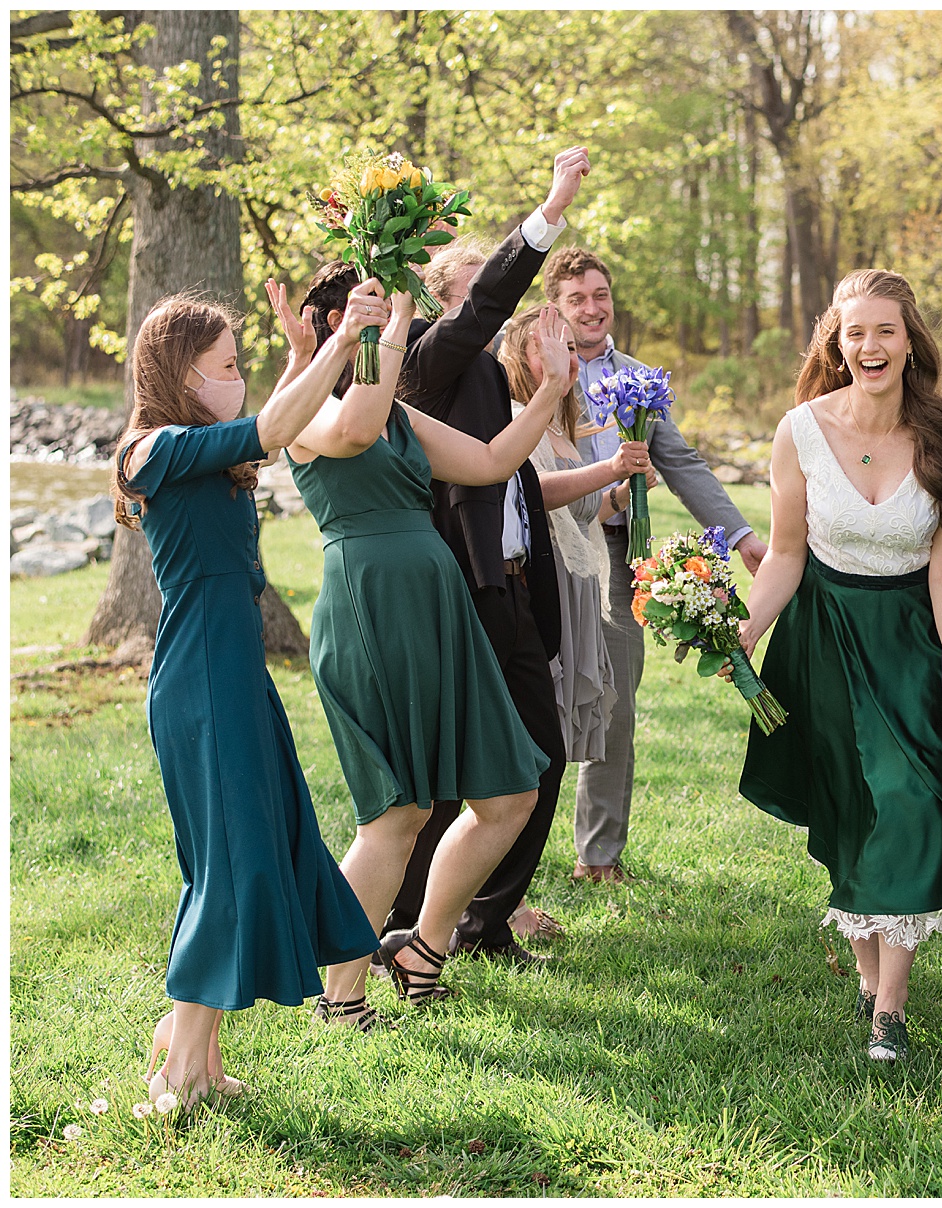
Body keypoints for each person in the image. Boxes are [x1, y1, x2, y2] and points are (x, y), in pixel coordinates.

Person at [113, 285, 385, 1104]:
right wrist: (344, 345)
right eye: (227, 365)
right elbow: (268, 429)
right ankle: (183, 1071)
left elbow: (258, 429)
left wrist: (306, 356)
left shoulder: (201, 449)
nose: (239, 376)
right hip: (201, 676)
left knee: (252, 854)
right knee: (229, 867)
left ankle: (190, 1049)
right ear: (182, 374)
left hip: (236, 675)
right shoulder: (151, 450)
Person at [284, 281, 574, 1024]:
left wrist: (549, 392)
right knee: (398, 814)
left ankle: (424, 947)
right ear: (330, 323)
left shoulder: (398, 411)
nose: (383, 321)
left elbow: (487, 462)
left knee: (510, 794)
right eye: (366, 308)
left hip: (439, 606)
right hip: (373, 606)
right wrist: (393, 327)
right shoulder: (304, 404)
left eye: (385, 308)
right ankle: (340, 991)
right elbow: (352, 431)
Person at [737, 269, 942, 1063]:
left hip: (910, 641)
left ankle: (890, 1014)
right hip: (822, 642)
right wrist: (742, 631)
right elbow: (784, 556)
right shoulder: (799, 429)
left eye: (885, 331)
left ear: (910, 341)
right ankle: (874, 980)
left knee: (908, 804)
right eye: (854, 333)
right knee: (851, 816)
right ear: (835, 346)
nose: (869, 346)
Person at [378, 147, 591, 966]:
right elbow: (484, 307)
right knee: (447, 777)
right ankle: (413, 922)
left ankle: (482, 922)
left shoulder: (493, 374)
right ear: (444, 302)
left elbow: (517, 481)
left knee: (539, 755)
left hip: (511, 593)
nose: (497, 313)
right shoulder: (428, 361)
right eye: (482, 297)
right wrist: (550, 208)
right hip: (460, 596)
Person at [542, 246, 770, 884]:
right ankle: (503, 854)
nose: (592, 308)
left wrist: (741, 532)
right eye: (577, 298)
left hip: (616, 553)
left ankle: (598, 855)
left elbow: (683, 463)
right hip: (539, 549)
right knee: (532, 696)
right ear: (555, 308)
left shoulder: (640, 379)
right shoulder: (527, 368)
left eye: (601, 295)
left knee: (614, 700)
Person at [495, 303, 660, 932]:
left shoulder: (574, 425)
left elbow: (583, 512)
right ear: (524, 357)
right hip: (545, 590)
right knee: (531, 752)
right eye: (552, 345)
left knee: (554, 747)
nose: (568, 355)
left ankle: (508, 895)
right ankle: (502, 903)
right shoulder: (517, 420)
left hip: (583, 586)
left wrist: (624, 489)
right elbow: (532, 494)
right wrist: (610, 467)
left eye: (569, 345)